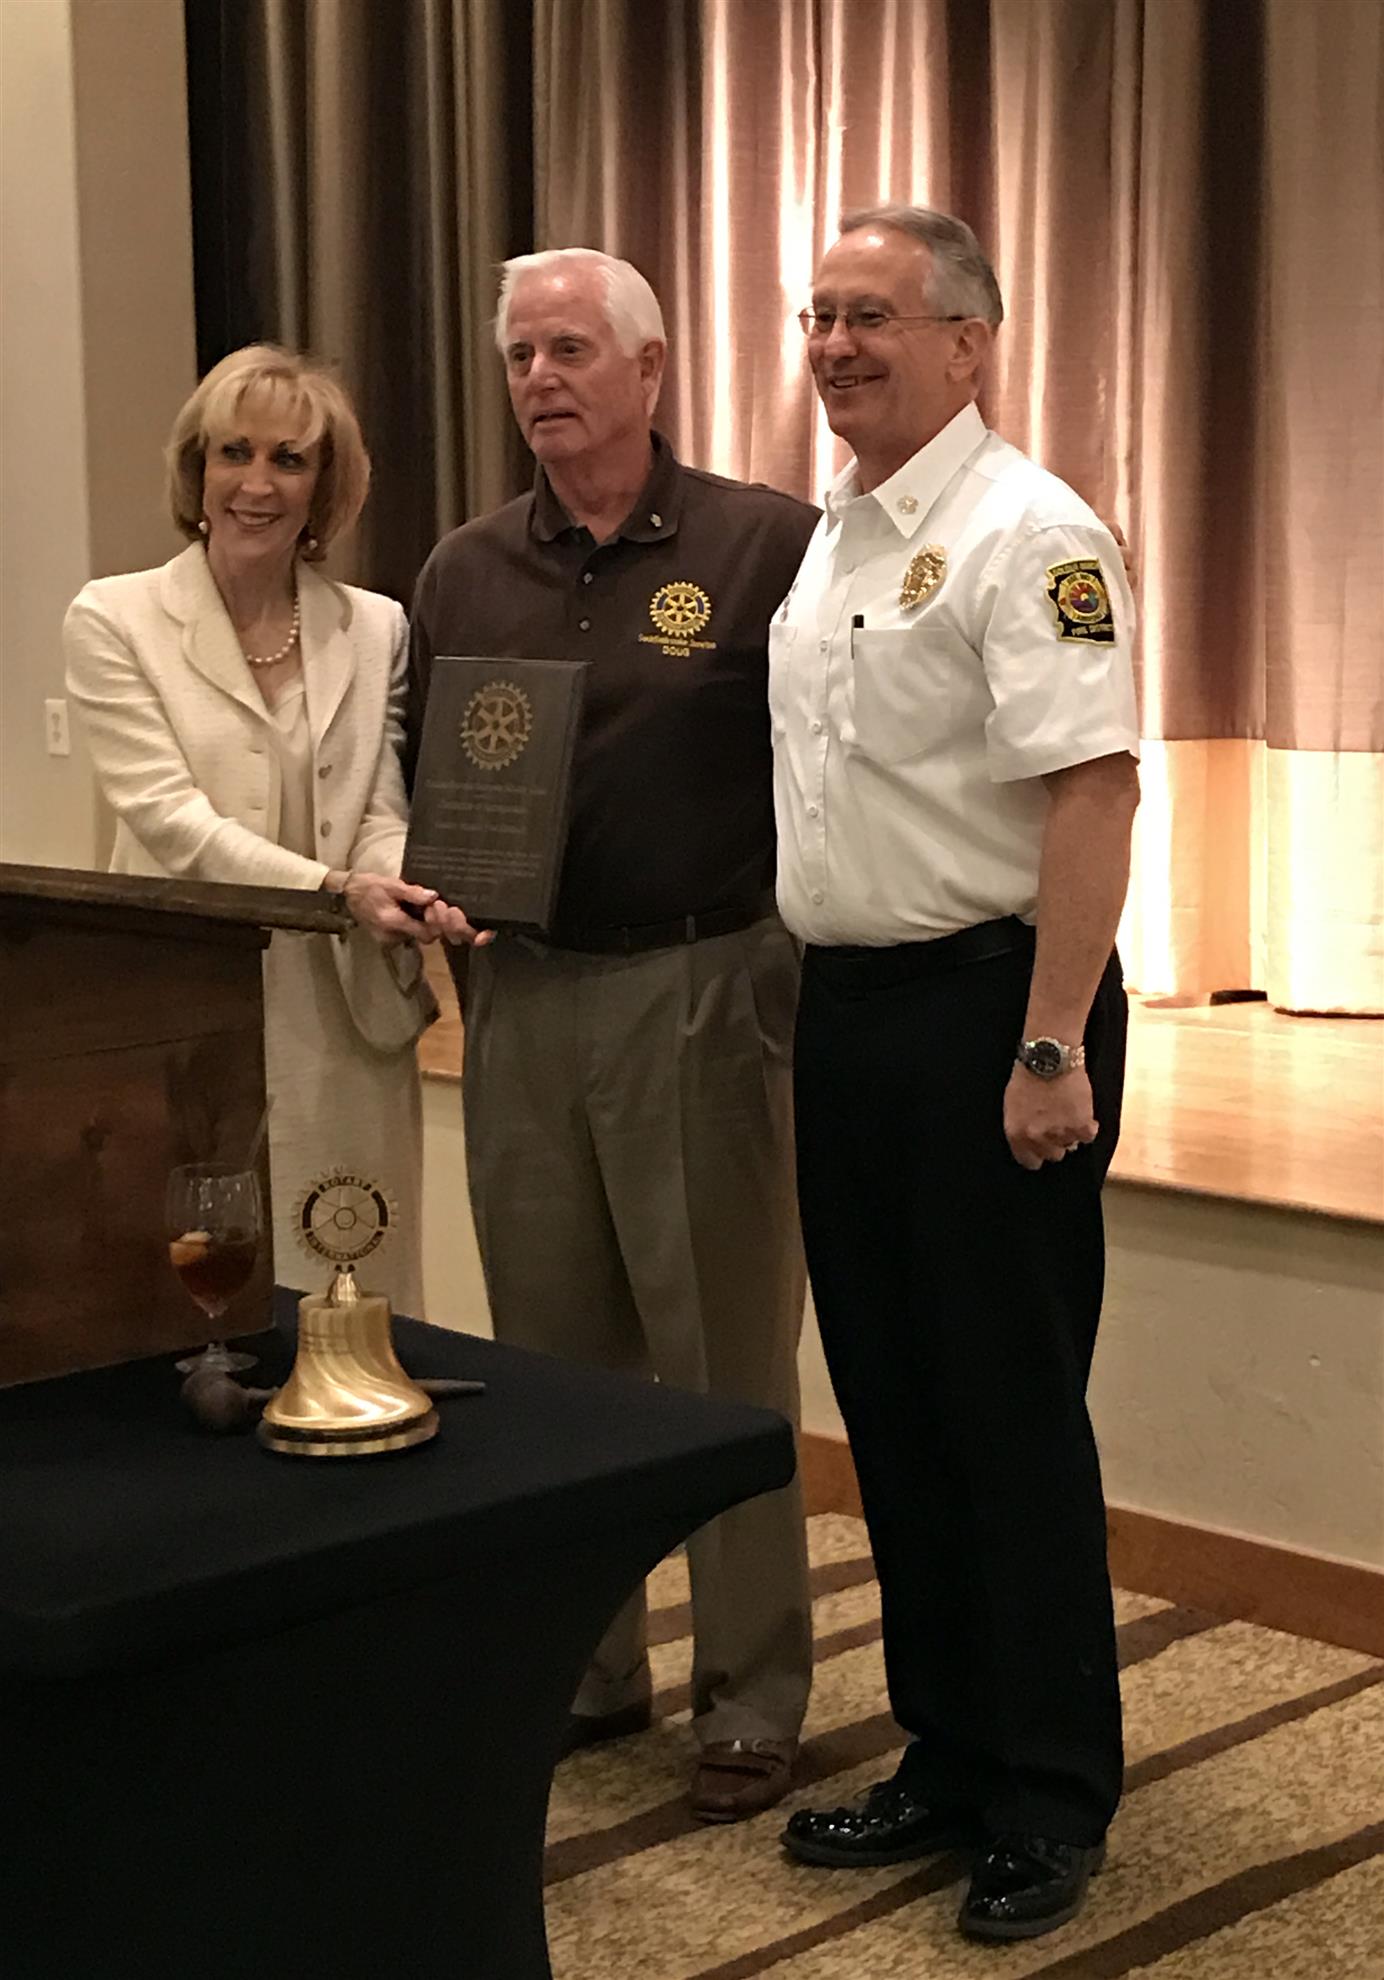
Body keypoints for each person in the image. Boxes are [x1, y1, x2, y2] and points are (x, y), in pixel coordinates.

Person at [408, 249, 816, 1822]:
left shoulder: (762, 543)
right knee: (550, 1357)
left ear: (650, 369)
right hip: (518, 994)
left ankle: (750, 1693)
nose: (540, 378)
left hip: (699, 986)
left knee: (721, 1360)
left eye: (571, 348)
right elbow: (424, 772)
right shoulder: (464, 567)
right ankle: (587, 1666)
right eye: (521, 353)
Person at [773, 206, 1141, 1943]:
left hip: (994, 1015)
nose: (837, 345)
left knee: (1005, 1411)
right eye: (818, 315)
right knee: (894, 1404)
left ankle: (1049, 1791)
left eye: (873, 315)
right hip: (848, 1017)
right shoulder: (835, 531)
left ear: (969, 342)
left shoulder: (1029, 532)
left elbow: (1091, 791)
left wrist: (1050, 1043)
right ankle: (948, 1748)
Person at [64, 345, 439, 1317]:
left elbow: (379, 812)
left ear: (325, 485)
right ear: (197, 469)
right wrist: (335, 890)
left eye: (289, 459)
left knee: (356, 1293)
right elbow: (173, 822)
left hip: (346, 1019)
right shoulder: (114, 619)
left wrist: (413, 883)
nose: (258, 484)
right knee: (196, 1303)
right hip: (187, 1012)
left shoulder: (377, 627)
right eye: (234, 453)